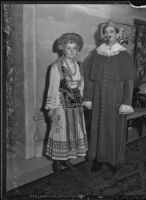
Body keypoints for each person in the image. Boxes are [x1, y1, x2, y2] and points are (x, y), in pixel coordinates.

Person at [83, 19, 137, 174]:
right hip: (99, 99)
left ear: (117, 34)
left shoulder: (124, 55)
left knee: (115, 130)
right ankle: (98, 160)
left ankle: (113, 160)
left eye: (111, 31)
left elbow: (129, 81)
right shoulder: (97, 54)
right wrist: (88, 98)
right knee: (97, 128)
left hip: (117, 100)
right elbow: (90, 80)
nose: (108, 34)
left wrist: (126, 102)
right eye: (105, 32)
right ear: (103, 35)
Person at [44, 33, 88, 173]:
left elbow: (81, 86)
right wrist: (52, 107)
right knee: (61, 132)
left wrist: (82, 100)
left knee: (73, 132)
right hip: (62, 105)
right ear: (63, 49)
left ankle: (66, 159)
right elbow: (53, 88)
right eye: (69, 48)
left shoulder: (79, 66)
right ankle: (57, 162)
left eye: (74, 48)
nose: (72, 50)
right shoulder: (56, 66)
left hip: (76, 105)